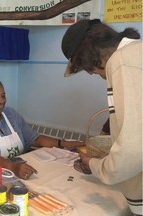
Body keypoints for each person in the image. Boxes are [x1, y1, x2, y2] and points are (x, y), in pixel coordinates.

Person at [61, 19, 142, 215]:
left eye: (90, 70)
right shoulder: (137, 52)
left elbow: (133, 148)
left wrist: (95, 165)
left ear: (89, 57)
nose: (94, 74)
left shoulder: (121, 62)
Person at [0, 77, 84, 180]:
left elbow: (35, 139)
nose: (1, 101)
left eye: (3, 96)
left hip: (18, 170)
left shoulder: (11, 114)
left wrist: (63, 143)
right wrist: (12, 167)